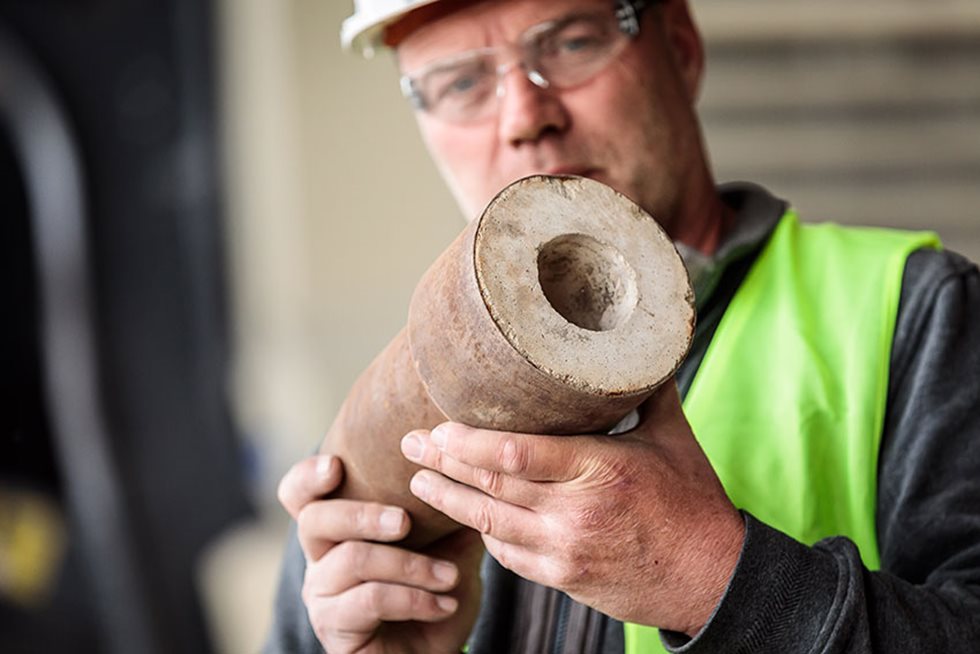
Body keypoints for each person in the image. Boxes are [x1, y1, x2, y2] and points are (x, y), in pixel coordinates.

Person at [266, 0, 980, 652]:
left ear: (681, 47)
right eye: (460, 83)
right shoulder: (386, 423)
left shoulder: (917, 312)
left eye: (571, 43)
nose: (523, 116)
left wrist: (715, 575)